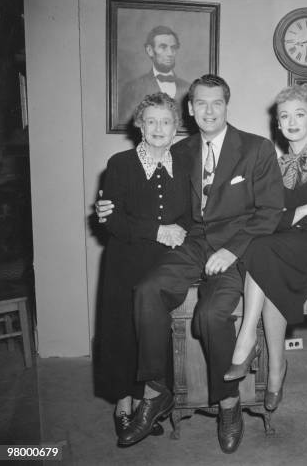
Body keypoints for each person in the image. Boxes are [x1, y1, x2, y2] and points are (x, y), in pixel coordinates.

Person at [97, 74, 284, 453]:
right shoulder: (179, 153)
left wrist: (233, 250)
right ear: (190, 108)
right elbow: (152, 195)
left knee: (211, 316)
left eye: (216, 102)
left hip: (235, 251)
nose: (209, 110)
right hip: (193, 244)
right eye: (201, 103)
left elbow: (269, 212)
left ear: (227, 105)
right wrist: (108, 208)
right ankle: (155, 391)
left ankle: (229, 404)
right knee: (148, 289)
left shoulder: (256, 148)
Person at [223, 85, 307, 412]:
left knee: (261, 248)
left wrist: (287, 219)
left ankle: (246, 336)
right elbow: (264, 218)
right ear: (278, 124)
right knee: (266, 261)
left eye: (299, 114)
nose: (292, 122)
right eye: (284, 117)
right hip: (285, 246)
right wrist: (303, 212)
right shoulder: (274, 167)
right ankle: (277, 369)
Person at [97, 92, 191, 442]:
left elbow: (188, 217)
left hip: (164, 266)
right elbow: (112, 220)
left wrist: (184, 234)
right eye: (150, 121)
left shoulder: (182, 165)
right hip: (125, 262)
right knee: (123, 333)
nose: (158, 128)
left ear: (176, 127)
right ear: (139, 125)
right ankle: (123, 406)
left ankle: (149, 404)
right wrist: (157, 230)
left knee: (155, 334)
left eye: (165, 121)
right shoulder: (120, 164)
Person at [118, 26, 190, 125]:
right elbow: (124, 124)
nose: (170, 53)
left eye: (173, 48)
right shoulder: (133, 88)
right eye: (163, 47)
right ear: (150, 50)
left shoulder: (188, 88)